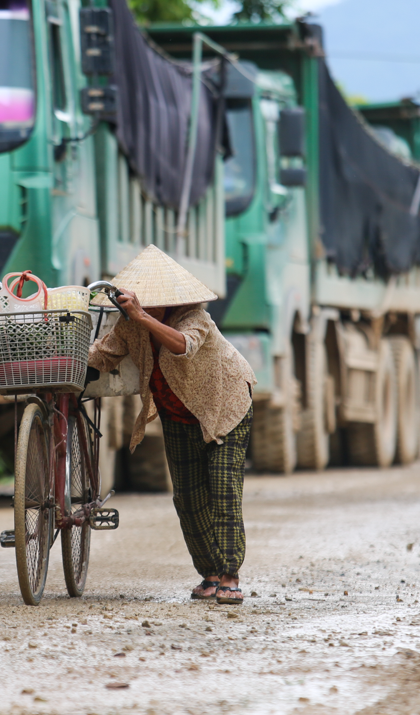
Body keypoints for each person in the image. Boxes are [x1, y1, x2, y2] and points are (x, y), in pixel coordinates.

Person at [88, 245, 257, 604]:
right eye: (138, 303)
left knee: (223, 491)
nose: (143, 307)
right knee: (188, 497)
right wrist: (62, 349)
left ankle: (230, 575)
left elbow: (183, 346)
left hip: (224, 408)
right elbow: (105, 353)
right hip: (177, 414)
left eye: (150, 303)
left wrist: (145, 318)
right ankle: (209, 573)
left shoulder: (195, 317)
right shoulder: (130, 326)